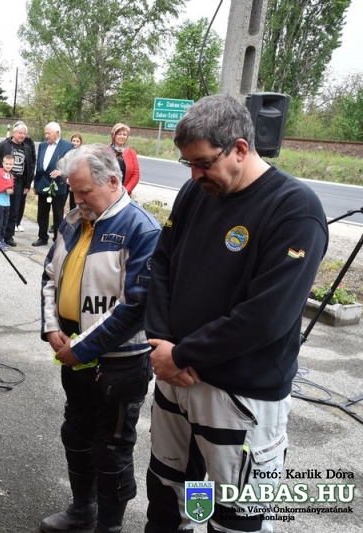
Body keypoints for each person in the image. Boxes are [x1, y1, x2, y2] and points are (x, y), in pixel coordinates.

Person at [144, 94, 328, 533]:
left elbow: (267, 316)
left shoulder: (295, 209)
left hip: (239, 397)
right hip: (176, 379)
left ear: (241, 148)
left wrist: (182, 354)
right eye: (188, 163)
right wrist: (163, 343)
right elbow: (161, 264)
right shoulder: (196, 192)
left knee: (235, 517)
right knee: (171, 497)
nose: (194, 174)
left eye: (203, 163)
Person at [40, 144, 161, 533]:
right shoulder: (74, 220)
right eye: (73, 191)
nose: (77, 200)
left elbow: (135, 307)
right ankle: (82, 511)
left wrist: (82, 348)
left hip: (120, 364)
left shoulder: (142, 229)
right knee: (75, 432)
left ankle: (109, 527)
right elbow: (49, 276)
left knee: (111, 449)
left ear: (112, 181)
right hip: (73, 354)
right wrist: (51, 327)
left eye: (84, 191)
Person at [0, 121, 36, 246]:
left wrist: (27, 185)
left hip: (19, 183)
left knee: (14, 211)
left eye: (24, 134)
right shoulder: (4, 145)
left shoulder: (26, 148)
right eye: (20, 133)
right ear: (14, 132)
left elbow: (30, 167)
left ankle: (8, 236)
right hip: (4, 181)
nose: (22, 135)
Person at [33, 122, 73, 246]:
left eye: (48, 133)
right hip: (43, 183)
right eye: (45, 133)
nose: (46, 136)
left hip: (58, 185)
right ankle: (42, 237)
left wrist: (61, 172)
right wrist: (36, 184)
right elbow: (39, 165)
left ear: (57, 133)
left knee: (58, 214)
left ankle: (57, 239)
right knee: (42, 213)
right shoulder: (43, 145)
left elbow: (71, 165)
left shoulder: (67, 146)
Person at [109, 124, 140, 195]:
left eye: (124, 135)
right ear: (113, 135)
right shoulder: (105, 151)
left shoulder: (132, 153)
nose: (122, 137)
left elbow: (136, 174)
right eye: (119, 134)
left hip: (124, 193)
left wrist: (125, 191)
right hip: (107, 193)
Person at [68, 133, 84, 210]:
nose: (75, 143)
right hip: (66, 180)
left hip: (76, 181)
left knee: (73, 203)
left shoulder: (82, 153)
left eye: (77, 141)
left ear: (80, 143)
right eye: (73, 141)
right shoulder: (67, 151)